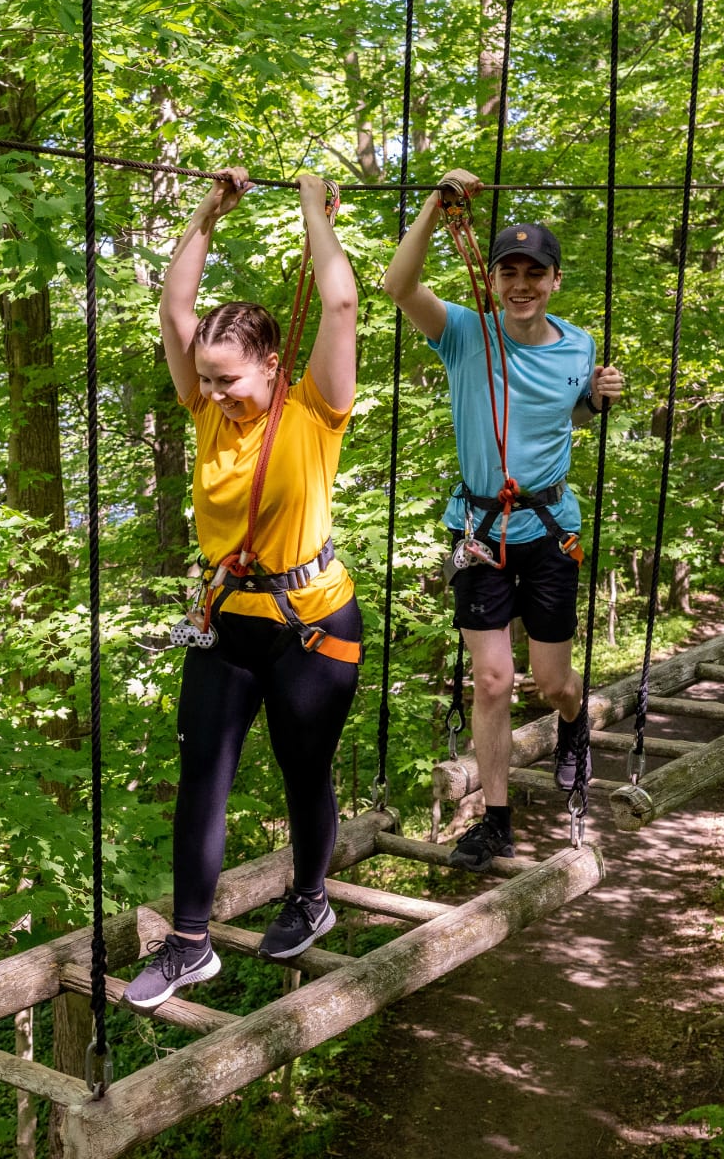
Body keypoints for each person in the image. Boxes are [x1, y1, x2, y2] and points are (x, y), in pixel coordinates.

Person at [124, 167, 363, 1010]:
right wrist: (207, 212)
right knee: (203, 774)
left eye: (230, 379)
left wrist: (312, 214)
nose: (216, 395)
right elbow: (173, 310)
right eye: (208, 380)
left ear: (270, 364)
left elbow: (339, 306)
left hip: (312, 624)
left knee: (305, 770)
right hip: (227, 622)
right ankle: (190, 945)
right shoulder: (205, 415)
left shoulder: (314, 411)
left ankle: (310, 898)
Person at [382, 167, 624, 872]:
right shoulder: (464, 334)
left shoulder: (578, 345)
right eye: (508, 271)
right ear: (491, 279)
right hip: (479, 533)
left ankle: (574, 725)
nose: (521, 284)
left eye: (534, 273)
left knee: (552, 683)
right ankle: (495, 821)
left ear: (554, 281)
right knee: (491, 680)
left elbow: (568, 417)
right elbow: (399, 286)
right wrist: (436, 204)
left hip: (549, 530)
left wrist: (598, 399)